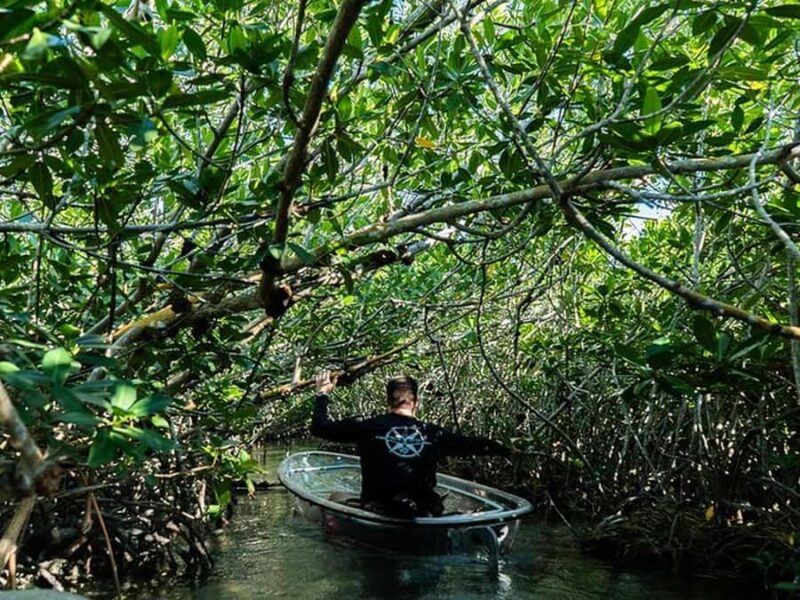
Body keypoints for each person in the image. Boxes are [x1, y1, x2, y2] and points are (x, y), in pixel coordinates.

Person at [310, 371, 511, 518]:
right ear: (416, 402)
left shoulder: (366, 426)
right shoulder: (433, 433)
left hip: (379, 509)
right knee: (473, 497)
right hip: (424, 512)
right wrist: (508, 450)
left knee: (336, 496)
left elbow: (319, 427)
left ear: (387, 400)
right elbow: (476, 445)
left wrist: (322, 393)